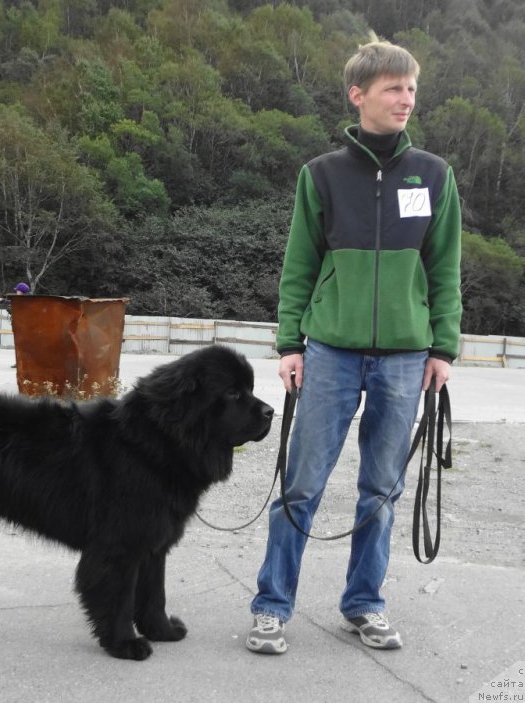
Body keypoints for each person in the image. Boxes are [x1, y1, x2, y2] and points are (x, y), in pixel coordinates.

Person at [246, 41, 462, 655]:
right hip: (330, 353)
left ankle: (364, 604)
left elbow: (445, 269)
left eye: (412, 88)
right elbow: (299, 265)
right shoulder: (320, 174)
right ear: (358, 94)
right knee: (302, 485)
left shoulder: (435, 175)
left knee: (383, 492)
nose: (406, 98)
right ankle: (271, 605)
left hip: (404, 358)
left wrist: (441, 347)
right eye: (394, 88)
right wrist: (291, 343)